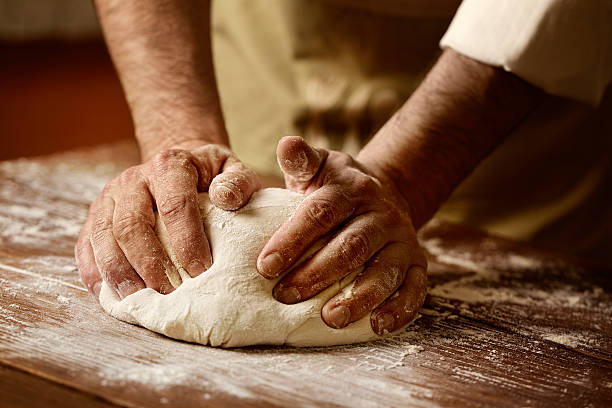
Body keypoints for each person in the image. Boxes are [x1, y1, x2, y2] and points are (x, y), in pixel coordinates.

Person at [76, 0, 612, 335]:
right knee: (225, 212)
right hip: (271, 48)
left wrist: (405, 176)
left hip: (507, 130)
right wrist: (181, 134)